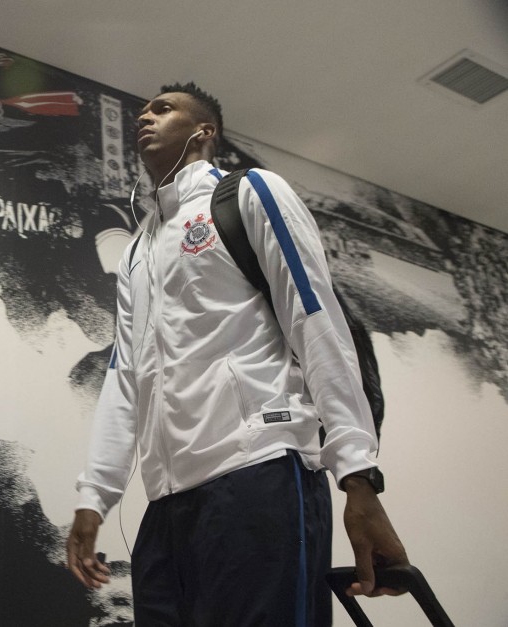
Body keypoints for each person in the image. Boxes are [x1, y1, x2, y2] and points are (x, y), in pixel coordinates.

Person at [67, 82, 408, 626]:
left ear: (204, 132)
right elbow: (125, 376)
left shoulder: (249, 192)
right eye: (143, 110)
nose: (145, 116)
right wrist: (95, 496)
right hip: (167, 506)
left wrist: (358, 477)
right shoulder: (138, 249)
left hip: (260, 474)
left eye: (163, 108)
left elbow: (315, 319)